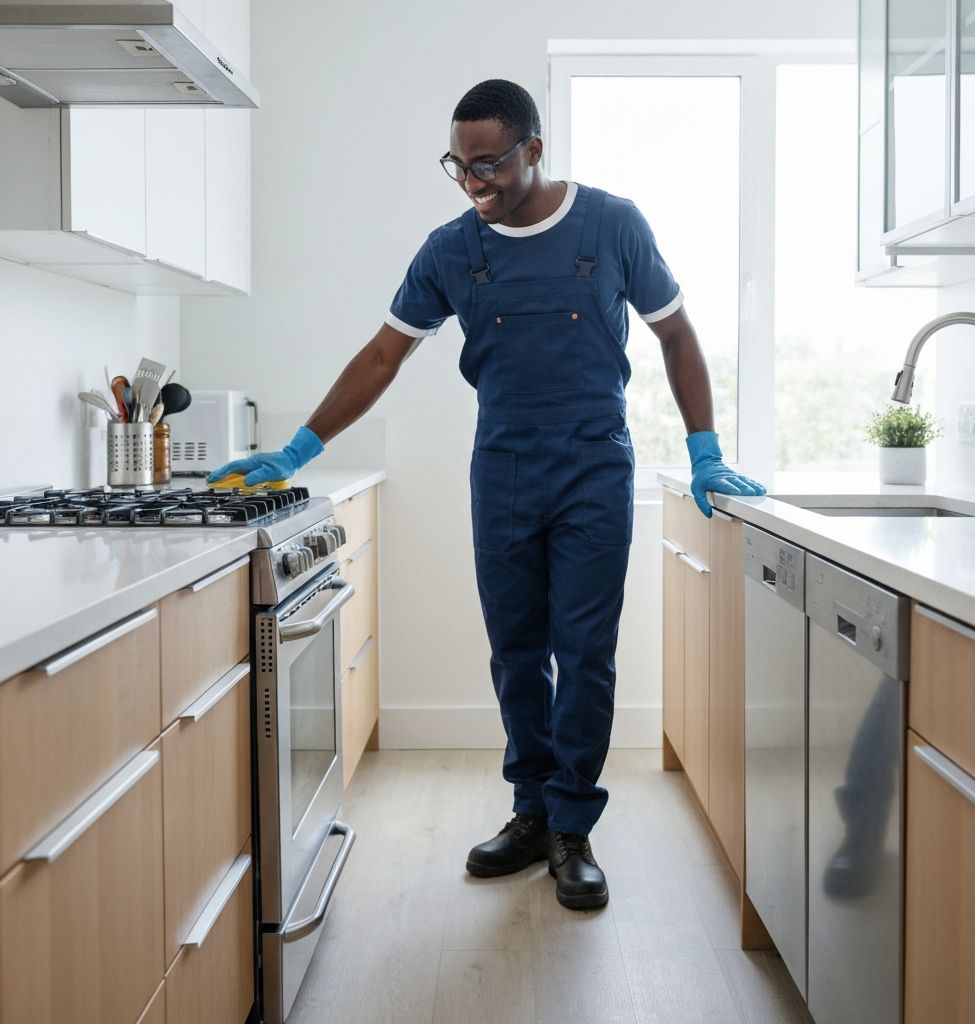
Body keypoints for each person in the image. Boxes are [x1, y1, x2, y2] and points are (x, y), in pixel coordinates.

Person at [209, 79, 765, 910]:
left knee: (583, 654)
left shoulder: (613, 224)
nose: (475, 182)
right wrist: (299, 447)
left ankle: (574, 828)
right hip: (502, 467)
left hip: (593, 469)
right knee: (515, 652)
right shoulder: (449, 250)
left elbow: (675, 333)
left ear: (533, 150)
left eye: (490, 164)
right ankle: (532, 811)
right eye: (460, 166)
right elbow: (382, 357)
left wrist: (705, 449)